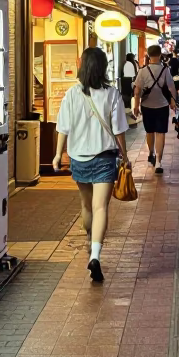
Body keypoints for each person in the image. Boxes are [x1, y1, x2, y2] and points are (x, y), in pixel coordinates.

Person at [53, 47, 131, 284]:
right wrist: (125, 156)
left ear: (83, 66)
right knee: (101, 208)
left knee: (86, 206)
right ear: (103, 68)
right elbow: (118, 130)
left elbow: (62, 127)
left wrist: (58, 155)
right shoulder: (112, 94)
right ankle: (96, 255)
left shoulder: (72, 94)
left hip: (79, 157)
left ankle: (90, 239)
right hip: (105, 157)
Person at [132, 44, 177, 174]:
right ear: (160, 55)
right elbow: (171, 87)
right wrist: (173, 101)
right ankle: (158, 162)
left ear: (148, 55)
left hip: (147, 106)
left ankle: (151, 152)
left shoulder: (142, 71)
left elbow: (137, 91)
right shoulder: (165, 70)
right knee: (161, 133)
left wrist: (136, 106)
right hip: (162, 105)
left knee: (149, 131)